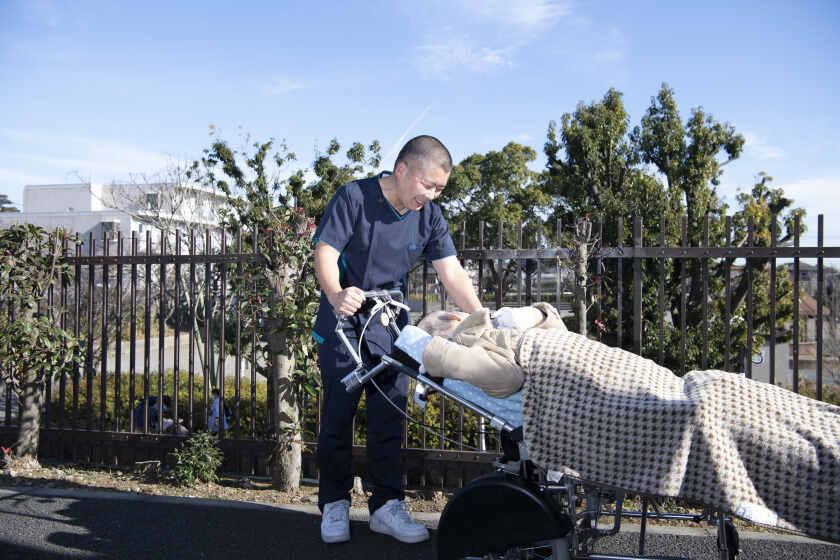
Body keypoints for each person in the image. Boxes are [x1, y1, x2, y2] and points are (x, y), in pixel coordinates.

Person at [312, 135, 482, 544]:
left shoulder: (430, 216)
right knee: (339, 412)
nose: (432, 194)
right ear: (402, 169)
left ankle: (386, 506)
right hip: (344, 320)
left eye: (439, 188)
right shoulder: (354, 197)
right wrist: (336, 293)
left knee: (389, 413)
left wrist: (482, 320)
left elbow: (452, 273)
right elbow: (325, 250)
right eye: (428, 184)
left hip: (389, 322)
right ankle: (334, 502)